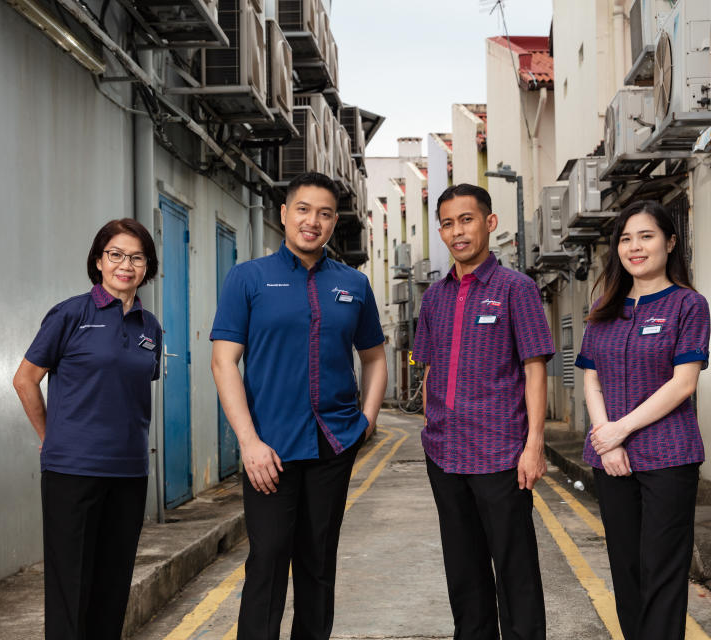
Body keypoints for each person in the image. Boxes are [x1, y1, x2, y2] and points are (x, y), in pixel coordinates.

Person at [210, 172, 387, 640]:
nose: (313, 221)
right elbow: (224, 363)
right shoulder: (248, 278)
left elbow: (374, 357)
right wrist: (248, 443)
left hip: (334, 446)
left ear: (334, 223)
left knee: (318, 563)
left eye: (325, 213)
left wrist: (366, 422)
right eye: (304, 210)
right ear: (284, 215)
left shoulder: (354, 284)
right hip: (269, 451)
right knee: (267, 562)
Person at [412, 183, 554, 640]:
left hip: (501, 455)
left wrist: (534, 445)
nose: (458, 232)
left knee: (516, 574)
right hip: (446, 457)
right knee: (464, 574)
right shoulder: (433, 298)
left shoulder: (517, 289)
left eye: (467, 220)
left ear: (489, 223)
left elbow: (535, 370)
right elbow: (430, 369)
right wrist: (431, 430)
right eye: (449, 223)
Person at [12, 218, 162, 639]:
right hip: (72, 470)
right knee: (70, 588)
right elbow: (25, 379)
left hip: (130, 472)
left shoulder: (149, 328)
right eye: (115, 255)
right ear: (99, 261)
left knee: (112, 588)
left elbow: (129, 389)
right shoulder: (70, 314)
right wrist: (50, 437)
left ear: (147, 267)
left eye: (136, 257)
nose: (125, 265)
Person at [576, 200, 710, 640]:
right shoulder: (603, 309)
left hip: (669, 457)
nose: (635, 247)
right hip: (611, 460)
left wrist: (621, 429)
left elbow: (682, 384)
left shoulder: (688, 305)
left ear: (670, 243)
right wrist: (605, 440)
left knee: (662, 572)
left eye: (646, 236)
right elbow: (591, 381)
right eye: (626, 238)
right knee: (627, 571)